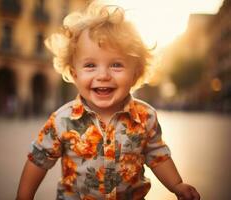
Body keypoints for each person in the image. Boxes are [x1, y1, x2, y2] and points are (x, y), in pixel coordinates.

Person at [16, 1, 200, 200]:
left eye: (116, 65)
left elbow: (158, 156)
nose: (103, 75)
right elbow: (38, 159)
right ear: (74, 73)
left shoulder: (146, 117)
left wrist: (177, 185)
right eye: (90, 65)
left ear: (135, 74)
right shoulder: (62, 120)